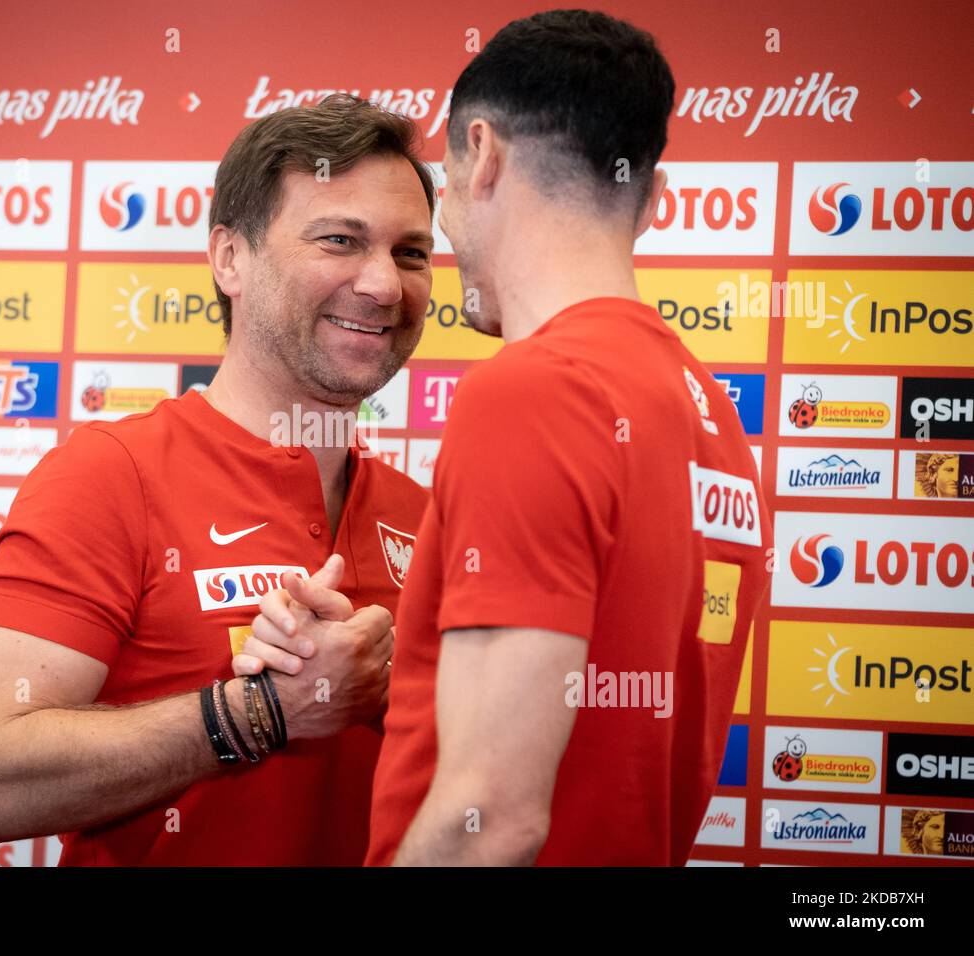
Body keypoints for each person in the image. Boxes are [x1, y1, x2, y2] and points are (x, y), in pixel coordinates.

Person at [250, 10, 772, 866]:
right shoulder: (706, 411)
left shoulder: (538, 390)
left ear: (482, 155)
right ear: (652, 197)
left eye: (444, 188)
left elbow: (490, 817)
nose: (444, 231)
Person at [0, 93, 434, 865]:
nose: (384, 285)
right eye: (340, 240)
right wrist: (263, 711)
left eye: (411, 252)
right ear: (229, 258)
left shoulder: (427, 514)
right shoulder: (111, 475)